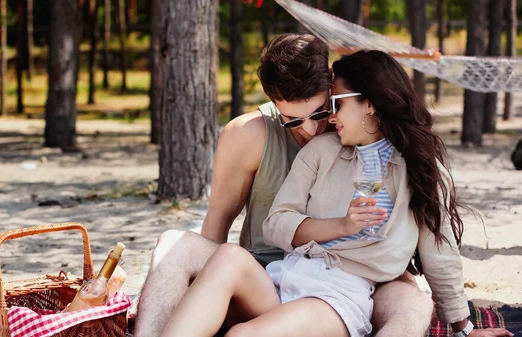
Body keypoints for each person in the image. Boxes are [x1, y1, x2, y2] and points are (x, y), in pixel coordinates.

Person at [158, 50, 515, 337]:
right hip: (287, 275)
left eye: (336, 104)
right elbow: (277, 225)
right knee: (227, 257)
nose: (328, 119)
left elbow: (441, 254)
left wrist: (463, 328)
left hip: (338, 295)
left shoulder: (420, 171)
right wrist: (340, 225)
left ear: (370, 103)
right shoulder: (323, 151)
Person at [134, 35, 434, 337]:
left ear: (332, 83)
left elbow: (414, 212)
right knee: (175, 243)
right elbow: (217, 224)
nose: (311, 128)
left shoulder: (358, 129)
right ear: (274, 103)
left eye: (319, 112)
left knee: (415, 301)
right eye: (292, 120)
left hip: (351, 281)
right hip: (266, 276)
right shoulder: (248, 135)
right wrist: (206, 290)